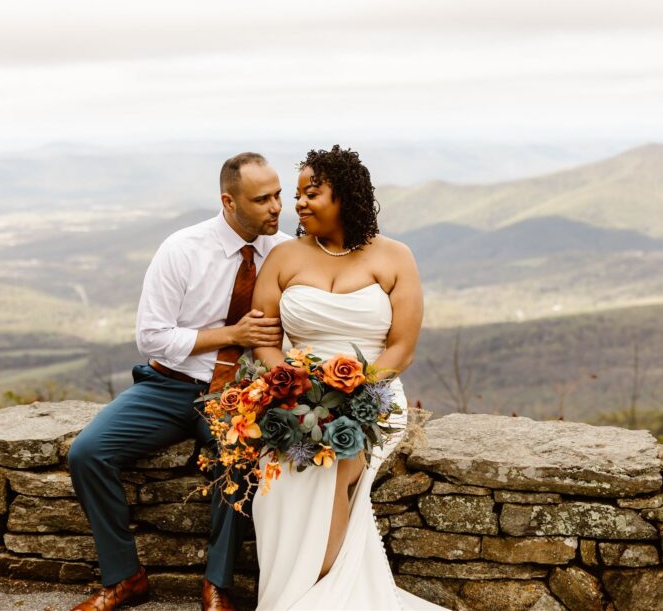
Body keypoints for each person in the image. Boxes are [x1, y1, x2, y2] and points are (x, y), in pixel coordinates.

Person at [67, 152, 289, 611]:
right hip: (168, 385)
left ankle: (217, 584)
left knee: (239, 456)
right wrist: (232, 335)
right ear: (229, 201)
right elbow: (151, 335)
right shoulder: (182, 249)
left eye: (278, 194)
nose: (276, 206)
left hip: (237, 394)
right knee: (87, 453)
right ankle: (125, 577)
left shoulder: (283, 253)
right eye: (262, 198)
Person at [249, 145, 446, 610]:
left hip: (373, 396)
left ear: (345, 196)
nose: (297, 203)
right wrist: (291, 386)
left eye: (310, 193)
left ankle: (317, 589)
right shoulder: (282, 257)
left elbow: (402, 347)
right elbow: (263, 337)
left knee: (334, 465)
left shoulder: (396, 256)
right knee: (280, 475)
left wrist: (352, 389)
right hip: (294, 396)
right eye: (296, 194)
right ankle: (300, 589)